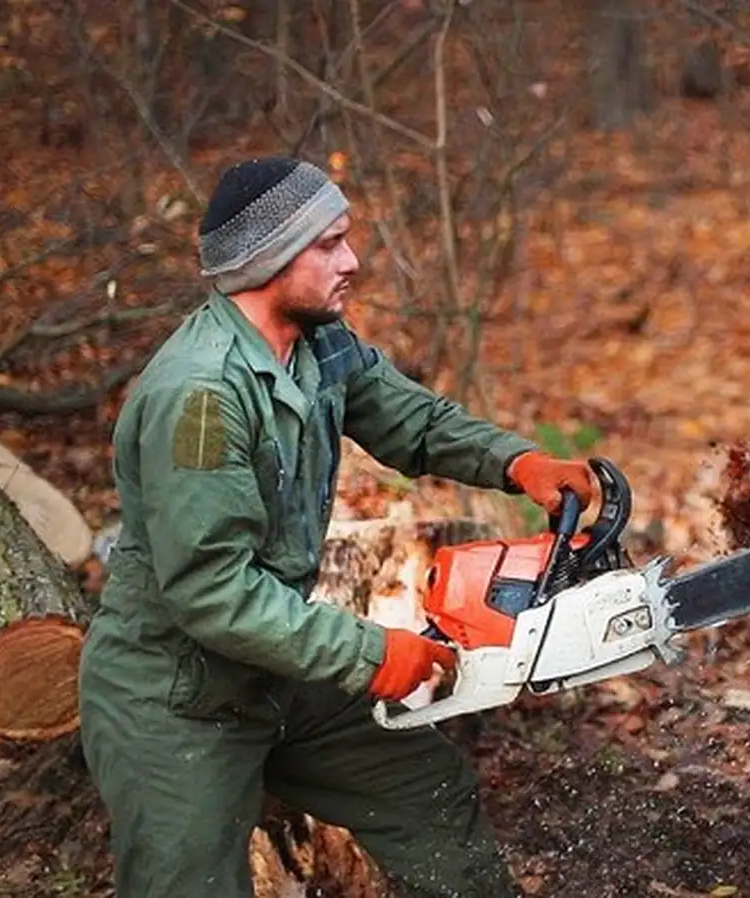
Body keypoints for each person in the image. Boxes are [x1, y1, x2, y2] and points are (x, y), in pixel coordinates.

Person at [76, 155, 597, 898]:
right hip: (175, 696)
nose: (351, 261)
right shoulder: (201, 396)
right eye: (328, 245)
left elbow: (410, 419)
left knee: (426, 792)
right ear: (268, 259)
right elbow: (214, 594)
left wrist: (519, 464)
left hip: (275, 671)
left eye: (345, 239)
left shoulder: (320, 343)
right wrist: (369, 652)